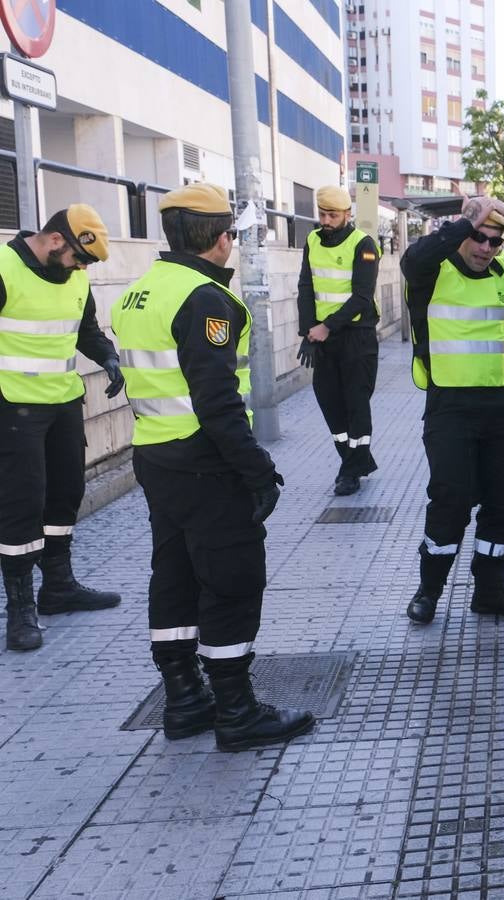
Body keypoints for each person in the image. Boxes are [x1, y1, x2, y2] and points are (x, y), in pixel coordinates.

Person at [111, 183, 314, 750]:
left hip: (155, 456)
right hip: (206, 462)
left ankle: (184, 700)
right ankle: (237, 711)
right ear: (221, 238)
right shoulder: (205, 299)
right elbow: (217, 400)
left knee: (173, 577)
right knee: (231, 583)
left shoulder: (137, 293)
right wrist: (257, 469)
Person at [400, 195, 504, 623]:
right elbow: (412, 258)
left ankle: (489, 590)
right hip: (449, 406)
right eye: (477, 238)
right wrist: (469, 218)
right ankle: (429, 591)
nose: (484, 248)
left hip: (501, 403)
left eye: (494, 241)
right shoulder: (430, 273)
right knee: (451, 500)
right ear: (461, 234)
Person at [0, 204, 123, 652]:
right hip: (13, 408)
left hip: (63, 403)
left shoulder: (74, 276)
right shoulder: (4, 268)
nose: (82, 268)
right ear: (55, 241)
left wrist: (107, 356)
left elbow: (84, 329)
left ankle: (58, 587)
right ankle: (20, 608)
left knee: (65, 494)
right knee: (20, 505)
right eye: (79, 258)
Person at [295, 185, 380, 496]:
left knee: (356, 403)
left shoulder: (364, 244)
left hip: (357, 336)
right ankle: (355, 460)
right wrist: (307, 333)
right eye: (322, 214)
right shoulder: (312, 241)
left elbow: (361, 296)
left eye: (333, 215)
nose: (326, 220)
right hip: (323, 337)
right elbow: (306, 287)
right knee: (329, 401)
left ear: (347, 214)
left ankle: (350, 471)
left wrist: (327, 327)